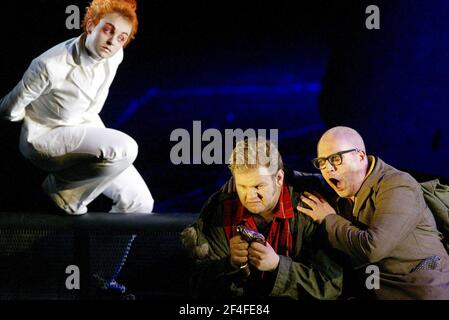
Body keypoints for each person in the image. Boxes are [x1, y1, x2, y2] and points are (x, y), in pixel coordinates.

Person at [0, 0, 153, 215]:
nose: (112, 41)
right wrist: (35, 117)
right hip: (48, 136)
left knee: (140, 203)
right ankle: (63, 190)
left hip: (86, 125)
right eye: (107, 30)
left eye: (121, 37)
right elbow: (8, 109)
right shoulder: (49, 65)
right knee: (126, 148)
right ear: (90, 26)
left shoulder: (115, 55)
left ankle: (106, 251)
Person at [298, 126, 449, 299]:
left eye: (336, 159)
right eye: (322, 162)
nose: (328, 169)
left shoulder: (398, 185)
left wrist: (328, 219)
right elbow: (308, 178)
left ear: (360, 156)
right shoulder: (346, 186)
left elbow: (373, 249)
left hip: (421, 291)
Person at [181, 138, 343, 300]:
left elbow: (331, 286)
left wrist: (278, 266)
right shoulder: (222, 209)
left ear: (279, 178)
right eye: (242, 186)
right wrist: (229, 264)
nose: (250, 196)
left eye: (258, 186)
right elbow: (197, 285)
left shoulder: (310, 207)